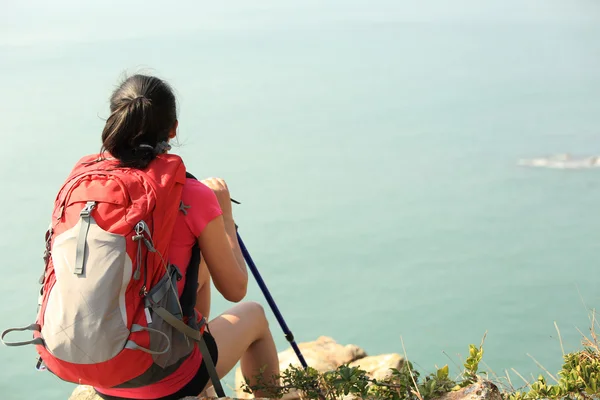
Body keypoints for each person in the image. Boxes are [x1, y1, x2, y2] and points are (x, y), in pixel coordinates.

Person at [90, 74, 280, 399]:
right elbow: (235, 289)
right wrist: (225, 217)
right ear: (173, 129)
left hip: (102, 370)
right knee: (255, 318)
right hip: (159, 381)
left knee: (197, 266)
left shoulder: (93, 188)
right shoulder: (191, 194)